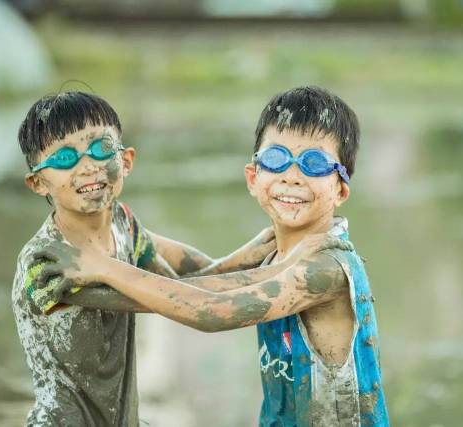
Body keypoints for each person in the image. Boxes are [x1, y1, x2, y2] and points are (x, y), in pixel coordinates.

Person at [34, 86, 388, 426]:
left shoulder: (326, 269)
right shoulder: (278, 256)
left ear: (341, 188)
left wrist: (102, 270)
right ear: (253, 177)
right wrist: (91, 283)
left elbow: (212, 311)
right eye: (277, 160)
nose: (292, 177)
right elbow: (206, 286)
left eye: (313, 163)